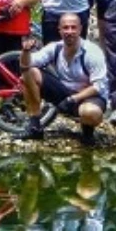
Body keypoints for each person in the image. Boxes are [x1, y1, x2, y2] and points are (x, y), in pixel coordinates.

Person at [18, 13, 108, 145]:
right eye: (65, 28)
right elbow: (26, 65)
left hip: (88, 96)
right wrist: (25, 51)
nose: (69, 32)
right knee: (29, 73)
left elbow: (100, 86)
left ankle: (88, 132)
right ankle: (35, 126)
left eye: (73, 28)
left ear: (80, 29)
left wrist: (73, 99)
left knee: (90, 112)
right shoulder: (55, 47)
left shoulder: (92, 52)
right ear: (59, 30)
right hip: (64, 92)